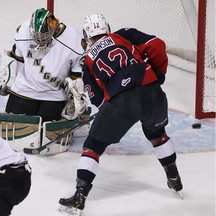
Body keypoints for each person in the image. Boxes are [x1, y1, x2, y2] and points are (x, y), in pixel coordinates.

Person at [58, 14, 183, 214]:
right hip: (152, 91)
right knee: (157, 134)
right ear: (107, 28)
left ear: (86, 36)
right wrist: (158, 72)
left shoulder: (88, 61)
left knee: (93, 145)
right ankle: (174, 179)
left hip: (121, 101)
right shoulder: (123, 35)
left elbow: (98, 100)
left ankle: (80, 196)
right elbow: (157, 45)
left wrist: (110, 111)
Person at [0, 7, 87, 122]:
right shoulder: (23, 31)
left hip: (54, 95)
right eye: (37, 35)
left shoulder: (73, 39)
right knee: (11, 127)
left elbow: (77, 74)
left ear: (54, 27)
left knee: (48, 135)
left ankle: (82, 118)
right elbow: (16, 58)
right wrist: (6, 80)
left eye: (44, 35)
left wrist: (76, 94)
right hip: (24, 90)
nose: (40, 38)